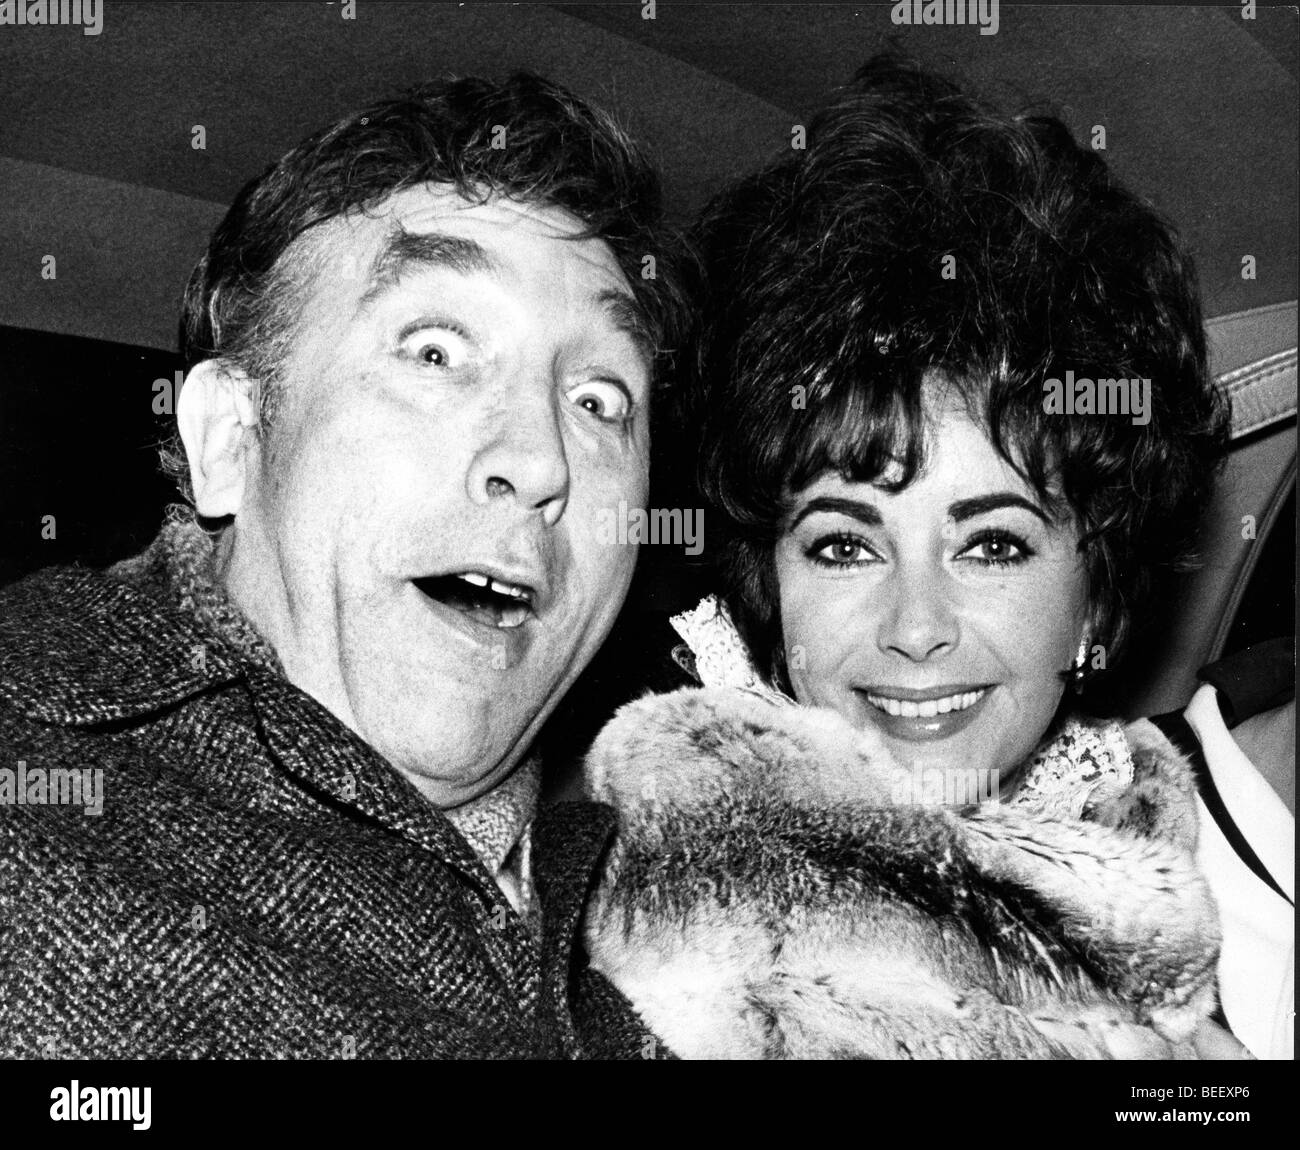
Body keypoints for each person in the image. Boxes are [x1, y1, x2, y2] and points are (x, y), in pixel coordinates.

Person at [578, 56, 1277, 1058]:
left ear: (1094, 603)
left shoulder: (1148, 911)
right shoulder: (675, 940)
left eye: (990, 543)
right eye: (842, 544)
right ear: (768, 586)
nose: (914, 626)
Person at [0, 71, 691, 1058]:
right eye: (438, 352)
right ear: (231, 439)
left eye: (599, 400)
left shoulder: (676, 912)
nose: (541, 461)